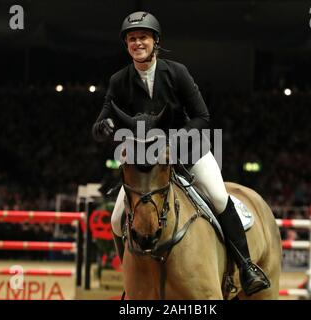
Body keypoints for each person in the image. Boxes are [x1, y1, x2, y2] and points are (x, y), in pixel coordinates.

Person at [92, 11, 270, 295]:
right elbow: (102, 118)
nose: (138, 43)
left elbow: (202, 117)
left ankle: (246, 266)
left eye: (143, 38)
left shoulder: (176, 72)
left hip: (189, 151)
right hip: (145, 162)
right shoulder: (119, 80)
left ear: (155, 41)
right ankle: (131, 277)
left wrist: (173, 144)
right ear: (127, 45)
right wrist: (104, 127)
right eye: (132, 39)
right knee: (116, 219)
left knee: (219, 197)